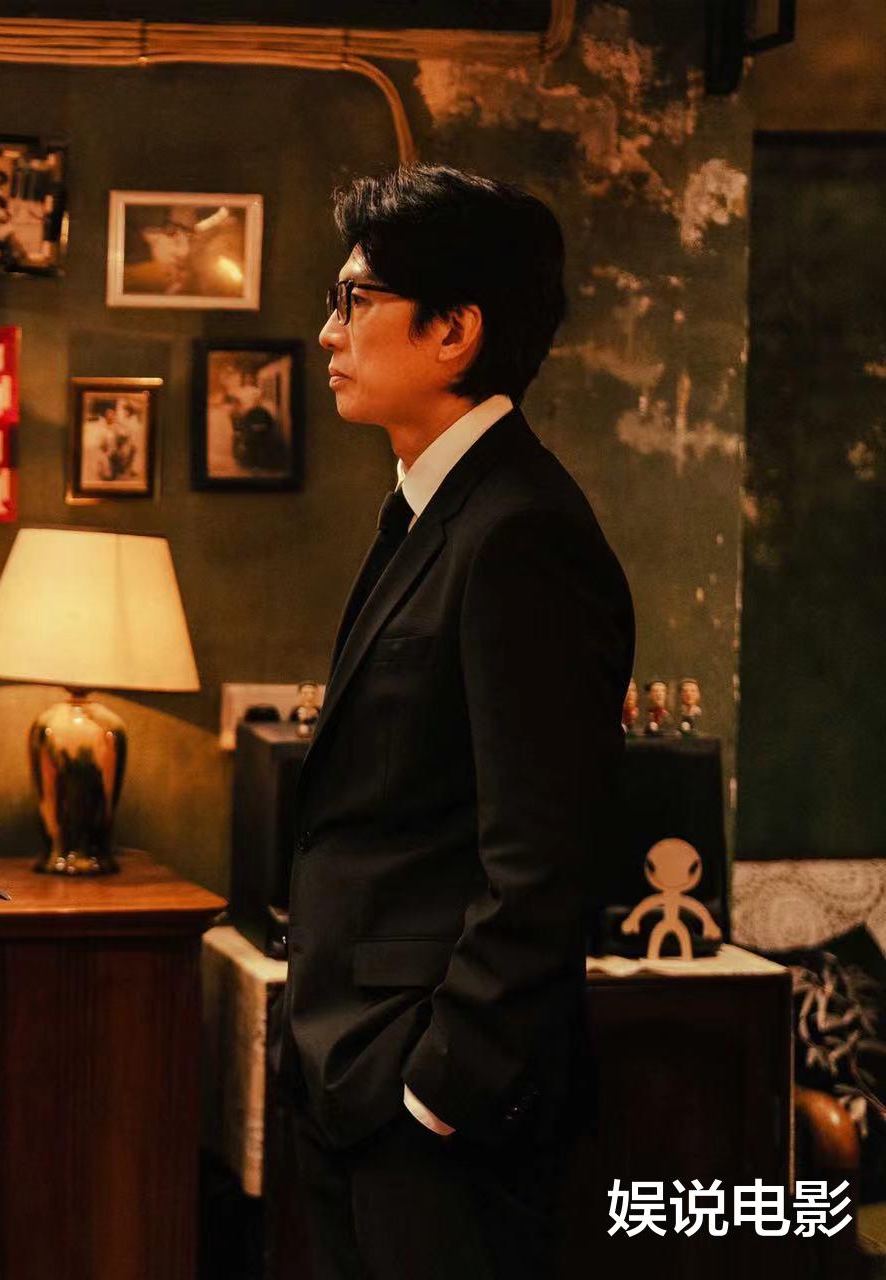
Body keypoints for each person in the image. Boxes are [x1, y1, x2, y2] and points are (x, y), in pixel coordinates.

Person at [271, 164, 635, 1280]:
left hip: (433, 1102)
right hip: (357, 1067)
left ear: (453, 331)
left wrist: (439, 1086)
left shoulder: (521, 530)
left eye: (356, 299)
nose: (328, 331)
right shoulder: (434, 506)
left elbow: (545, 852)